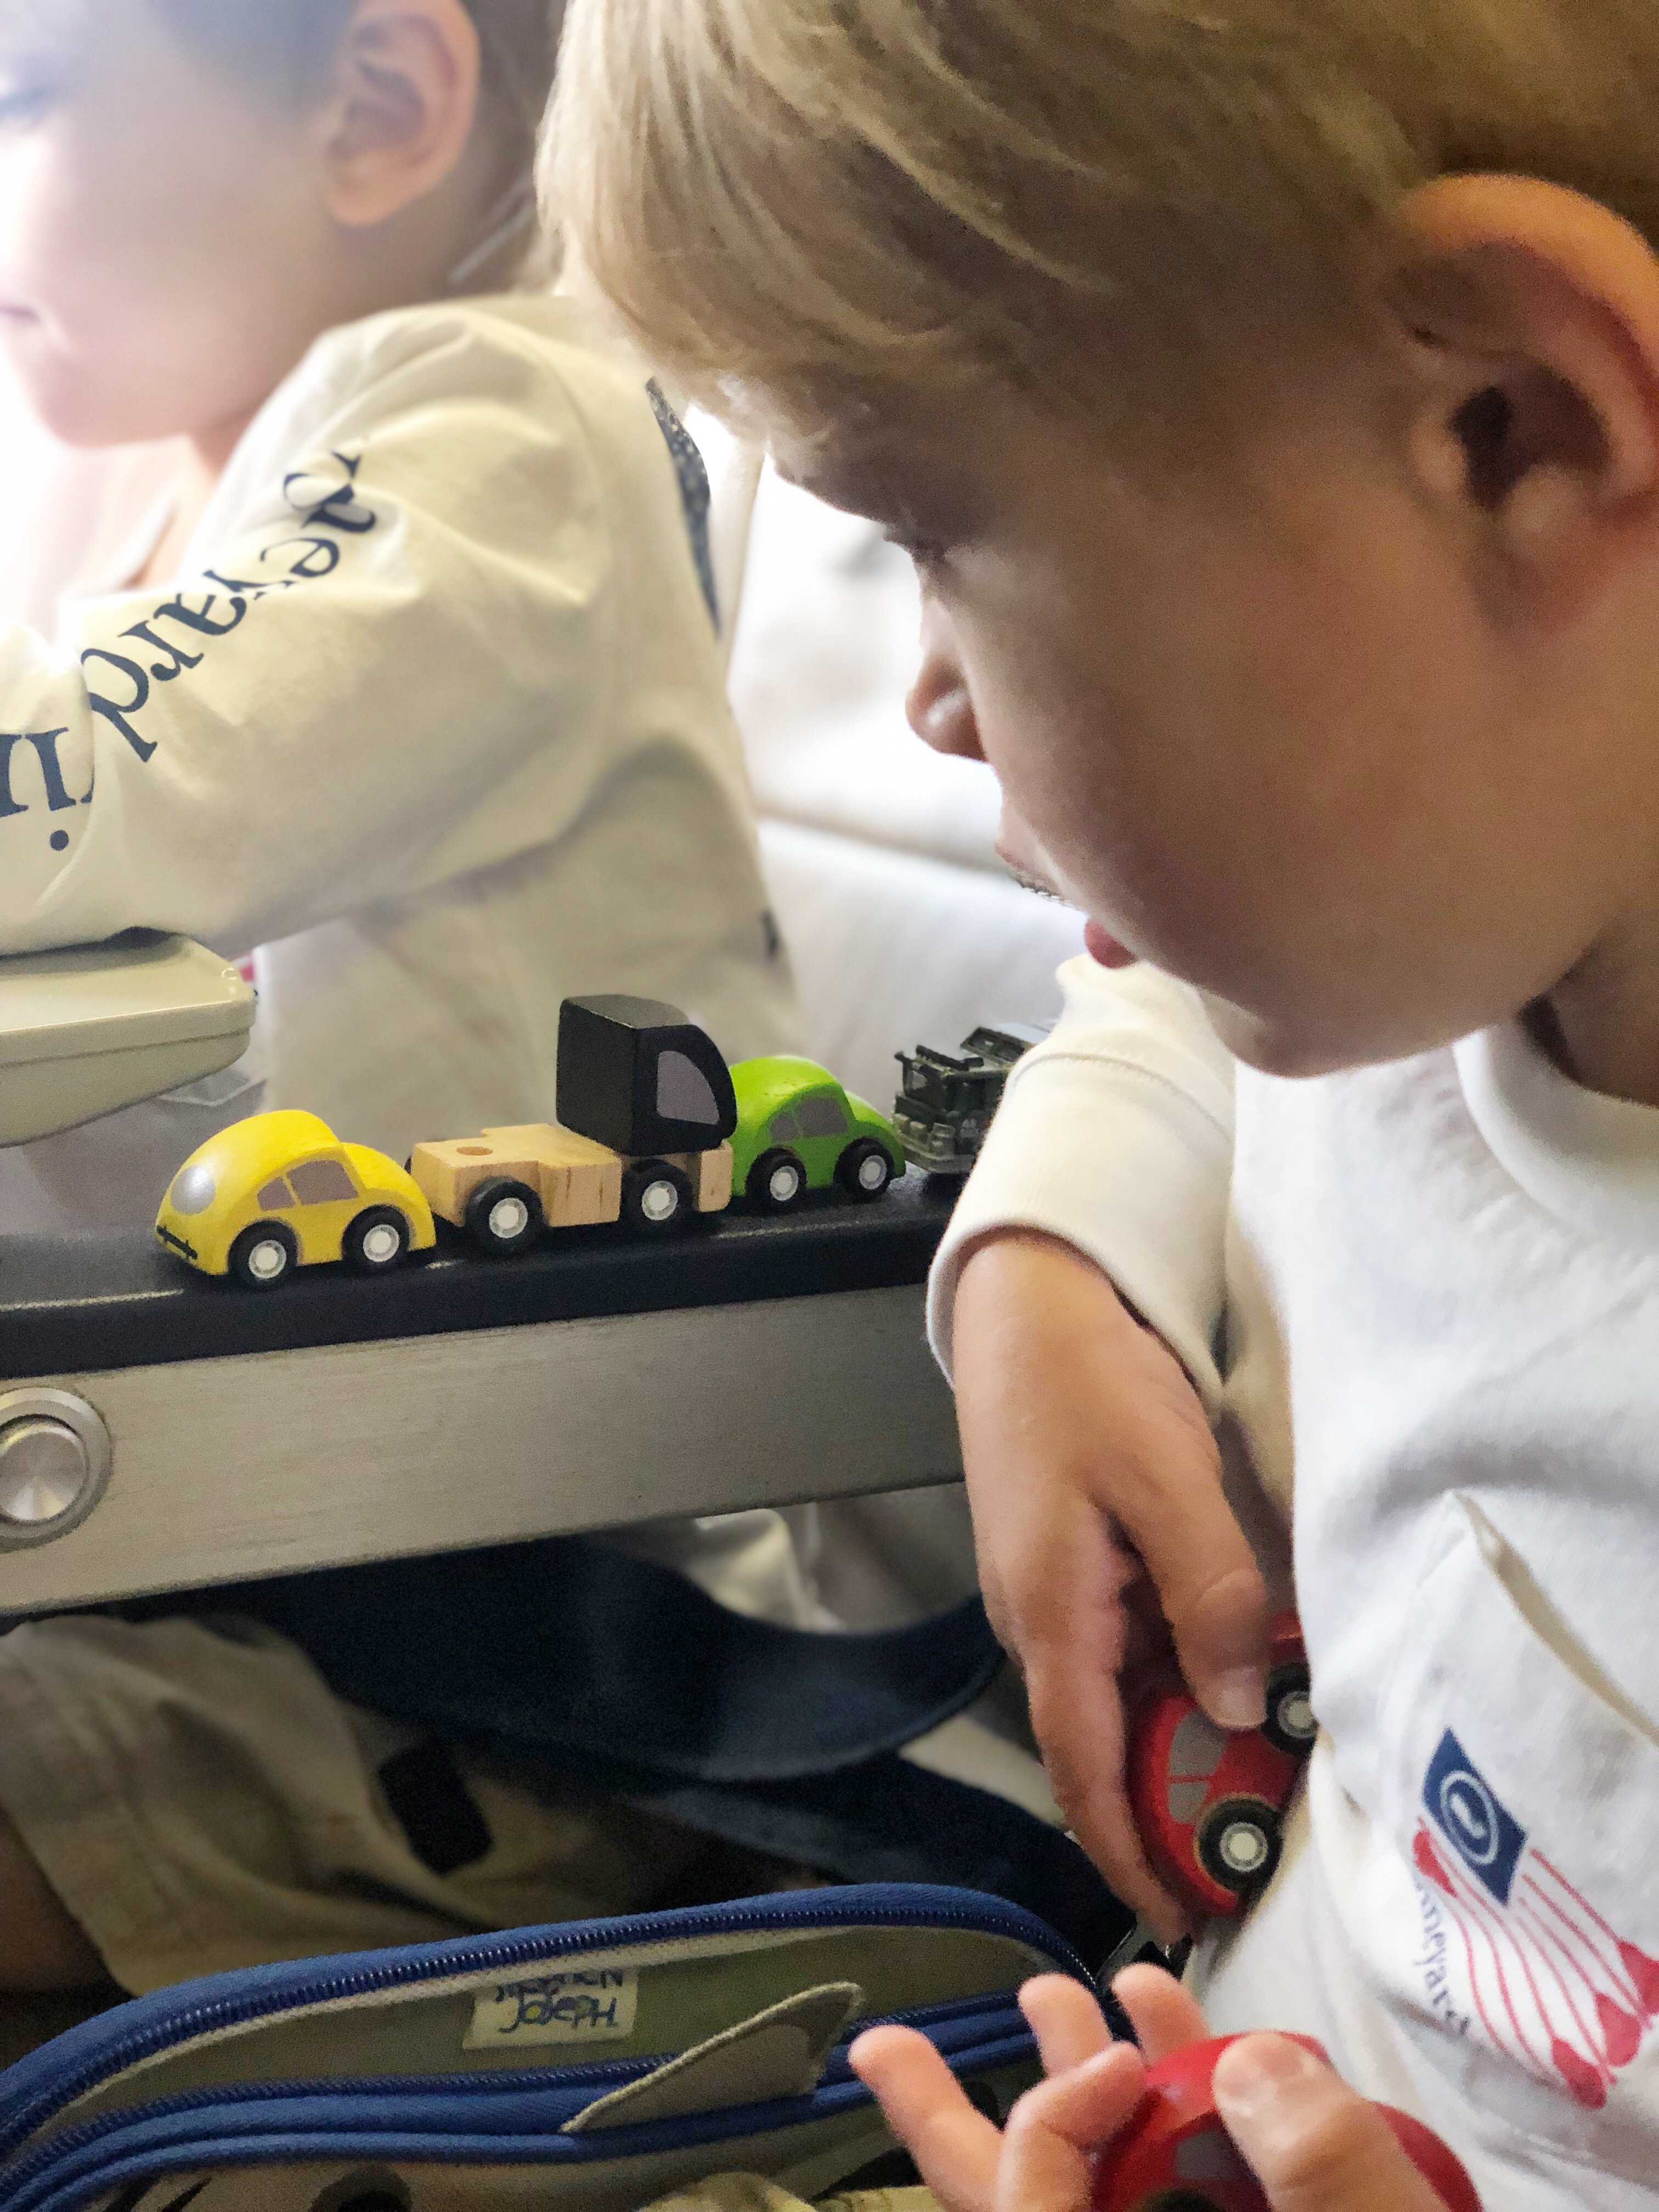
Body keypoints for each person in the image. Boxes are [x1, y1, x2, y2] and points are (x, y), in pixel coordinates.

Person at [549, 0, 1659, 2203]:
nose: (928, 704)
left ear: (1507, 431)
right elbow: (1154, 1021)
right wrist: (1049, 1259)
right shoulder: (1436, 917)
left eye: (931, 535)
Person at [0, 0, 808, 2021]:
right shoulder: (190, 469)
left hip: (485, 1666)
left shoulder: (494, 433)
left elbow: (97, 787)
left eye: (23, 94)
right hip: (211, 1544)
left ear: (379, 105)